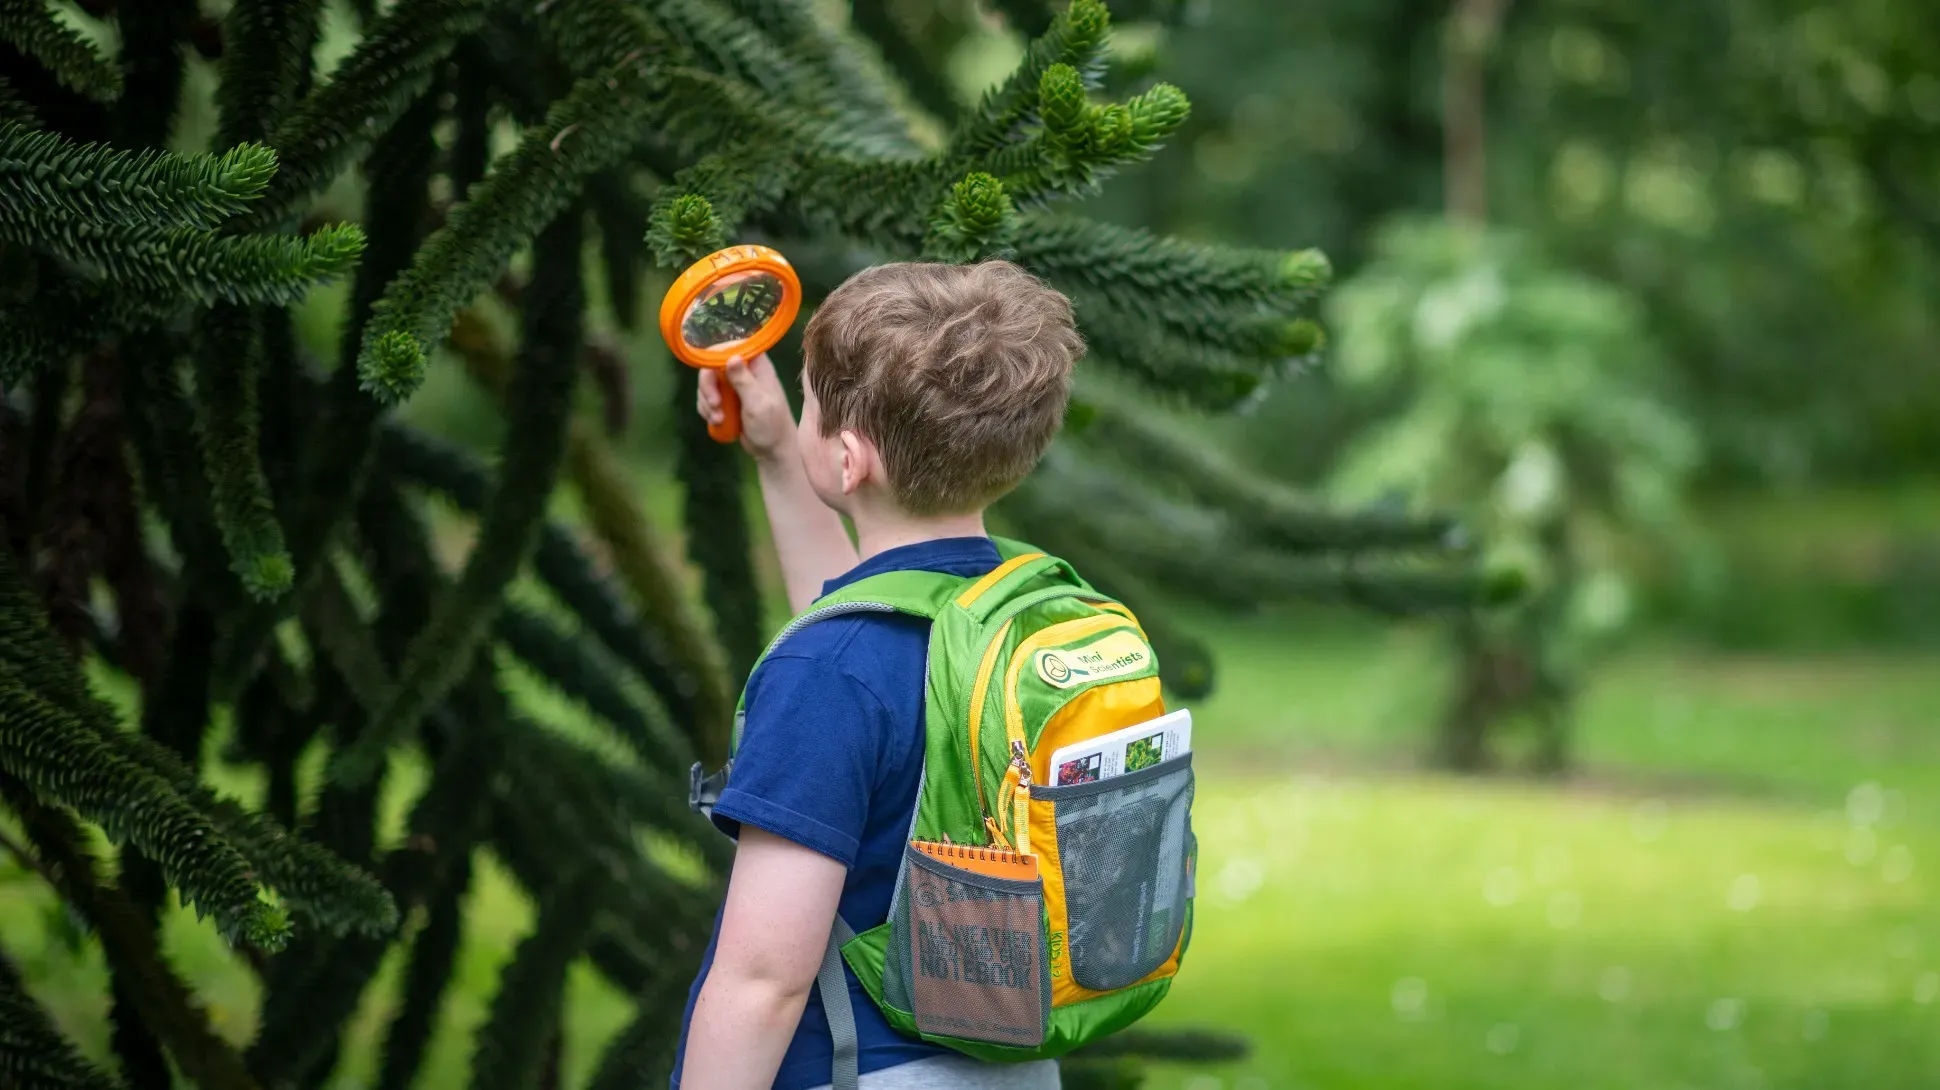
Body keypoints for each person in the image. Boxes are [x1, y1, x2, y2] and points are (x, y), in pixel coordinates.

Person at [672, 260, 1084, 1090]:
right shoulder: (1018, 616)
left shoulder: (831, 674)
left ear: (852, 459)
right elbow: (854, 635)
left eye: (811, 404)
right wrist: (783, 454)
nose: (803, 416)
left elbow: (764, 981)